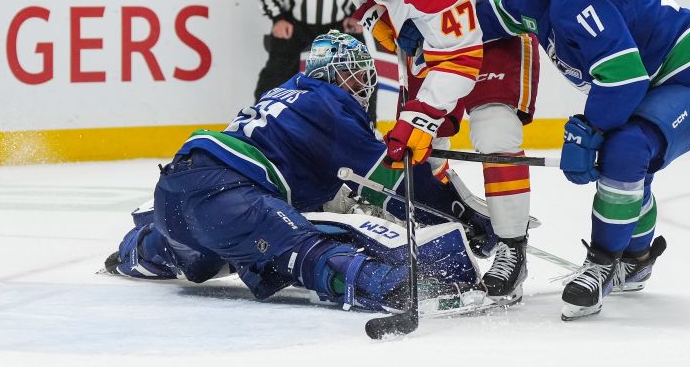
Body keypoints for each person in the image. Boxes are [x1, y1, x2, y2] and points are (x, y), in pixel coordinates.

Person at [106, 28, 489, 314]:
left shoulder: (287, 91)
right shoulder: (331, 104)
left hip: (176, 190)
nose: (360, 85)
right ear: (338, 74)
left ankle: (135, 249)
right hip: (228, 193)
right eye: (354, 75)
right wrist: (456, 213)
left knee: (208, 250)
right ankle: (391, 286)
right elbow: (391, 181)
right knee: (304, 248)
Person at [476, 0, 690, 320]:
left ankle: (604, 262)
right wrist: (435, 36)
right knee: (627, 163)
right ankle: (639, 256)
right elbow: (501, 17)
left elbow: (624, 78)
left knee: (625, 150)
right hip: (647, 84)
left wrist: (588, 129)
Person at [338, 0, 541, 302]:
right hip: (434, 36)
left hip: (492, 34)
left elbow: (460, 62)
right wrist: (376, 14)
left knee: (493, 134)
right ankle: (464, 217)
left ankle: (511, 247)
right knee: (419, 151)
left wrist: (420, 115)